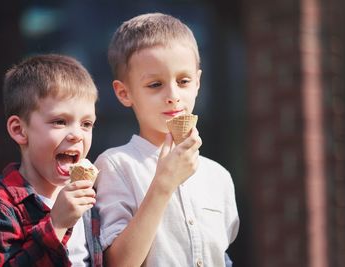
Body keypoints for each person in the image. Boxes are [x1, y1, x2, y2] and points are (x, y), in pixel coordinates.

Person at [94, 13, 239, 267]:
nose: (173, 95)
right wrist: (163, 183)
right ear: (124, 93)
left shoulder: (219, 177)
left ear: (197, 83)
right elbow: (118, 263)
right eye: (155, 84)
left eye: (183, 81)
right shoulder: (115, 165)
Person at [0, 54, 102, 266]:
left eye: (86, 124)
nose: (77, 134)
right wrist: (56, 224)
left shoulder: (88, 198)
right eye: (59, 121)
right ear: (19, 130)